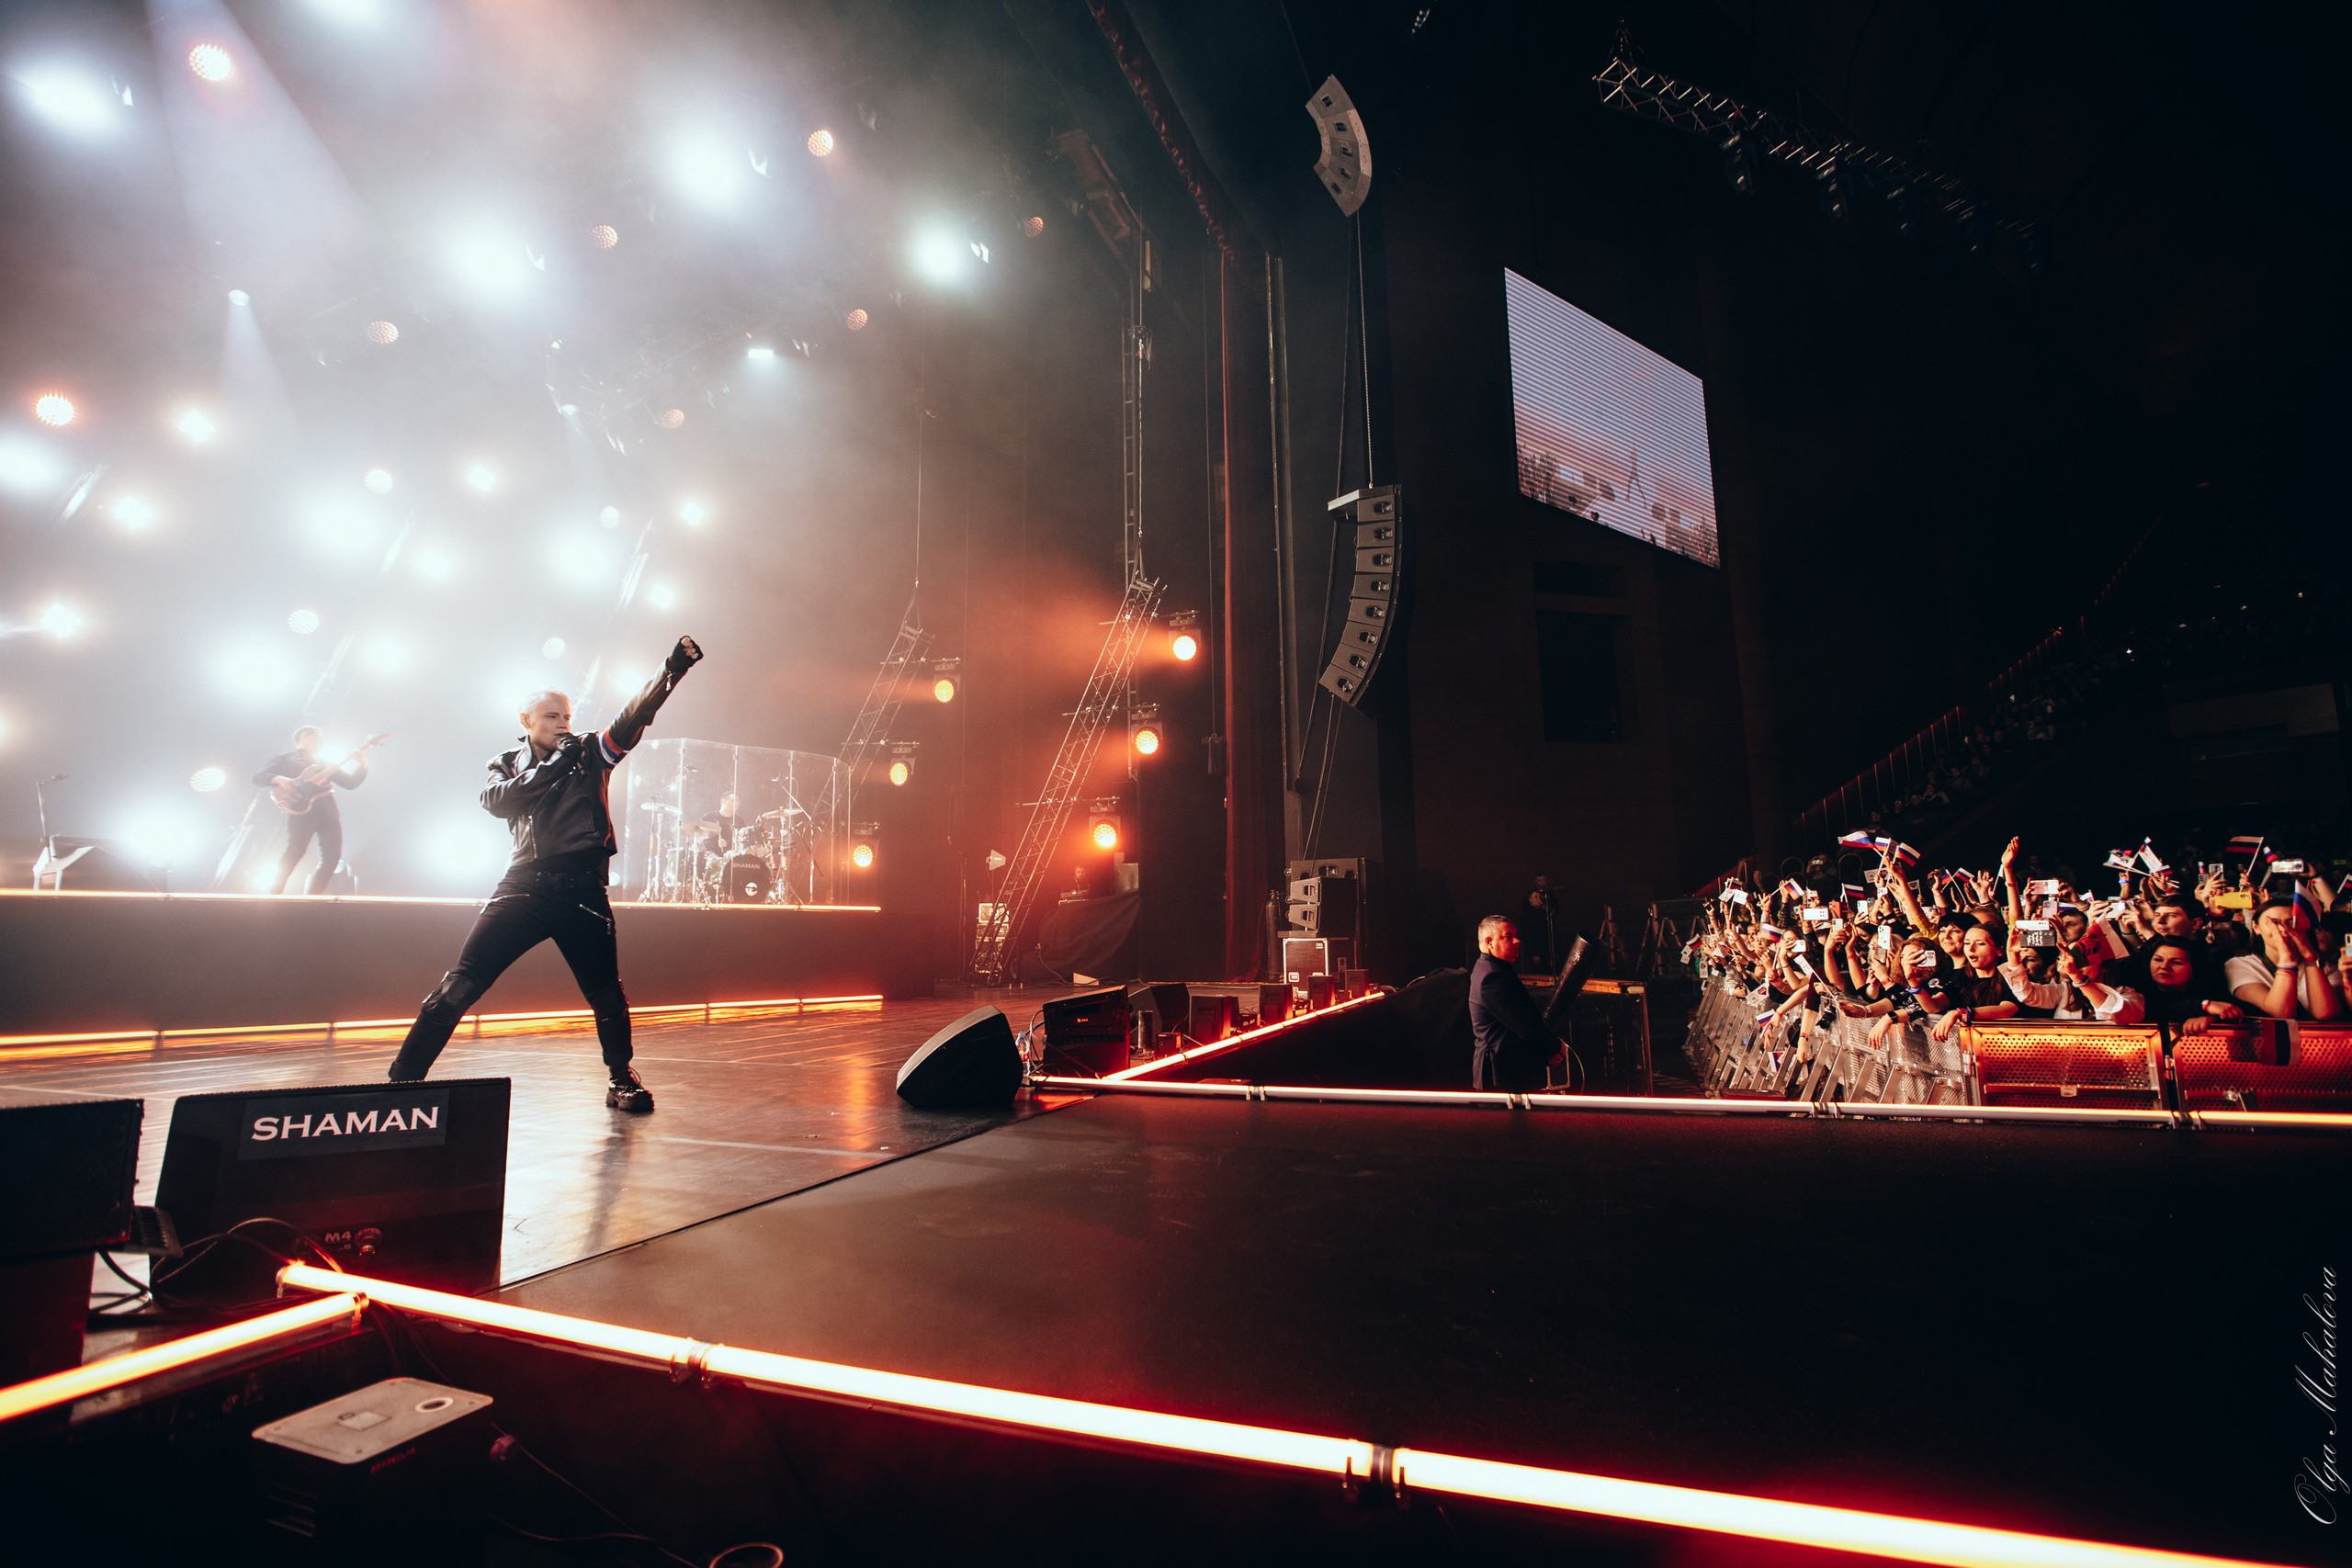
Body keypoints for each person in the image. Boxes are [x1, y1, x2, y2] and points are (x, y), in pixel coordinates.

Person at [386, 637, 705, 1109]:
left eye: (567, 716)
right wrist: (556, 764)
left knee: (607, 996)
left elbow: (635, 714)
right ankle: (402, 1081)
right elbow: (498, 803)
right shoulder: (506, 764)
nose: (562, 723)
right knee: (459, 986)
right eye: (552, 716)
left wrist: (671, 670)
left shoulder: (592, 752)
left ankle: (622, 1077)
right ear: (527, 722)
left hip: (582, 892)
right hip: (523, 889)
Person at [254, 727, 368, 896]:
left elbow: (350, 783)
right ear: (304, 735)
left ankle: (313, 897)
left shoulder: (326, 763)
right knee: (295, 851)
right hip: (300, 812)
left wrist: (362, 764)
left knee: (332, 857)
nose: (322, 741)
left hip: (328, 813)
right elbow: (258, 778)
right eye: (319, 737)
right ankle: (274, 893)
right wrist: (277, 778)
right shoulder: (285, 757)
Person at [1469, 915, 1565, 1091]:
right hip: (1502, 1077)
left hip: (1506, 1073)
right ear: (1489, 942)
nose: (1517, 941)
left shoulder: (1492, 969)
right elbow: (1524, 1026)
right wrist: (1555, 1046)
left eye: (1516, 935)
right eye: (1508, 936)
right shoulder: (1493, 976)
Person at [2226, 899, 2346, 1021]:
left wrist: (2310, 959)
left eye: (2291, 922)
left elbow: (2325, 1014)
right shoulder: (2239, 965)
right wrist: (2287, 960)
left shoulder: (2326, 969)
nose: (2283, 929)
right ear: (2256, 928)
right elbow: (2280, 1013)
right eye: (2275, 923)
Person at [1522, 875, 1559, 972]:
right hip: (1537, 950)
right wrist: (1533, 953)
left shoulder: (1545, 914)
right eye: (1536, 897)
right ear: (1530, 899)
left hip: (1547, 949)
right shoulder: (1527, 915)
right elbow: (1528, 935)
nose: (1539, 899)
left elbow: (1552, 931)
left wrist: (1555, 950)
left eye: (1540, 897)